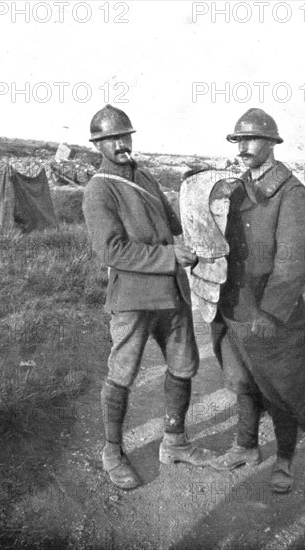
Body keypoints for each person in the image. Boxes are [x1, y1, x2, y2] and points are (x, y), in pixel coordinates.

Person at [83, 104, 217, 490]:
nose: (122, 144)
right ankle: (112, 451)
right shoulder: (99, 189)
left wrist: (193, 191)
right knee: (122, 375)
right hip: (133, 300)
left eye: (126, 136)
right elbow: (111, 251)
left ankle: (174, 441)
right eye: (113, 139)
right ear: (99, 145)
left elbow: (174, 224)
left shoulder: (144, 176)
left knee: (183, 367)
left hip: (171, 293)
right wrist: (167, 256)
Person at [210, 108, 305, 493]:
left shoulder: (291, 193)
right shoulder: (238, 187)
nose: (243, 147)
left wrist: (271, 311)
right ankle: (245, 446)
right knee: (242, 382)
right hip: (235, 307)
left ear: (272, 143)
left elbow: (295, 261)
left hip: (271, 315)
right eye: (239, 140)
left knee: (281, 388)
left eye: (251, 139)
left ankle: (285, 459)